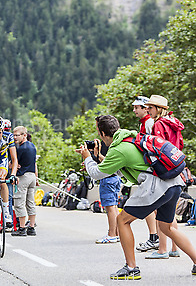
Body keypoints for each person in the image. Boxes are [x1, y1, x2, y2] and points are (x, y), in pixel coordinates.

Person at [77, 115, 196, 280]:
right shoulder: (131, 139)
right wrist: (95, 160)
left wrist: (87, 158)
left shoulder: (118, 149)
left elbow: (97, 174)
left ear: (102, 133)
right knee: (167, 227)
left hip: (158, 187)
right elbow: (122, 168)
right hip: (174, 183)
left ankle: (131, 267)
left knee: (122, 220)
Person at [145, 95, 184, 259]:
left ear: (158, 108)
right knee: (170, 211)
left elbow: (157, 147)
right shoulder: (172, 123)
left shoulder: (159, 124)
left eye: (151, 107)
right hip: (176, 167)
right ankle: (174, 248)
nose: (148, 110)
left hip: (164, 169)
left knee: (160, 210)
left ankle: (162, 249)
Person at [87, 116, 121, 244]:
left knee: (110, 207)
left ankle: (112, 234)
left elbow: (107, 162)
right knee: (114, 206)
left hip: (109, 178)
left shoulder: (107, 142)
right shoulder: (113, 142)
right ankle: (116, 233)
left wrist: (94, 157)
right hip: (114, 178)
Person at [131, 96, 159, 252]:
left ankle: (154, 237)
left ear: (145, 108)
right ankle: (157, 239)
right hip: (150, 168)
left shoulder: (149, 123)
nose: (134, 110)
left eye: (137, 108)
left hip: (151, 169)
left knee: (149, 203)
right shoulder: (144, 123)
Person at [11, 126, 37, 237]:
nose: (15, 137)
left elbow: (14, 163)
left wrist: (12, 166)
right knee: (30, 202)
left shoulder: (20, 148)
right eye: (14, 135)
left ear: (24, 135)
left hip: (22, 177)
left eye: (18, 135)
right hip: (32, 176)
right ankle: (31, 227)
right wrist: (36, 177)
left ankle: (21, 228)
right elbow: (34, 163)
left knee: (19, 202)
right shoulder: (32, 146)